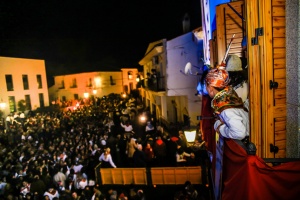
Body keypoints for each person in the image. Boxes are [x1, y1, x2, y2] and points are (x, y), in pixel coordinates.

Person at [205, 68, 249, 140]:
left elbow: (239, 133)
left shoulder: (226, 109)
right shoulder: (231, 96)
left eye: (206, 86)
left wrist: (219, 127)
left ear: (210, 88)